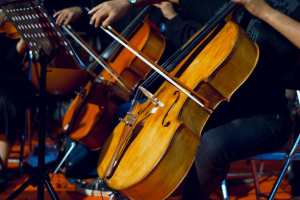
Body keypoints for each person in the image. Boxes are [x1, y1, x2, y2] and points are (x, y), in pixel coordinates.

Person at [88, 0, 300, 199]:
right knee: (131, 114)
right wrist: (127, 3)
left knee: (212, 145)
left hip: (265, 114)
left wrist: (264, 11)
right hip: (212, 105)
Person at [0, 14, 31, 190]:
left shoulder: (13, 28)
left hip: (10, 82)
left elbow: (12, 60)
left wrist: (25, 35)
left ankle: (1, 168)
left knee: (3, 101)